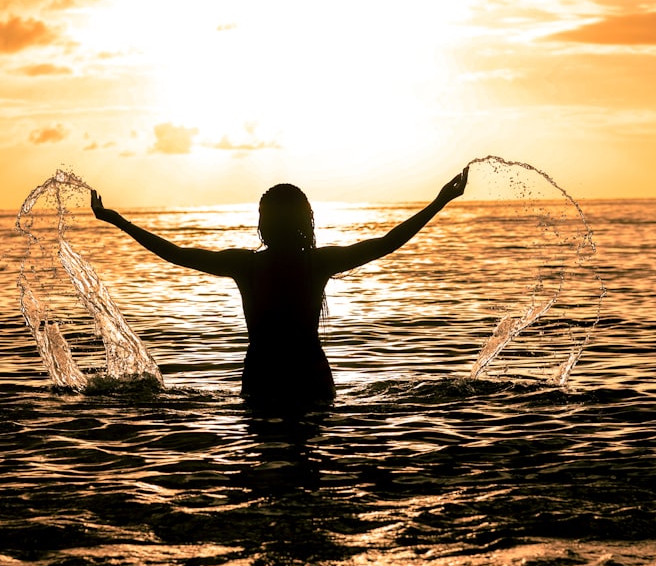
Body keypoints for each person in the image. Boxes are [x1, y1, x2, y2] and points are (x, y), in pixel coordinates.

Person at [90, 166, 468, 412]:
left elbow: (174, 253)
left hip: (263, 375)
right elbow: (388, 242)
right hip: (309, 375)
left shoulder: (246, 264)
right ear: (306, 220)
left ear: (263, 222)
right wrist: (440, 201)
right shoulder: (317, 262)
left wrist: (117, 220)